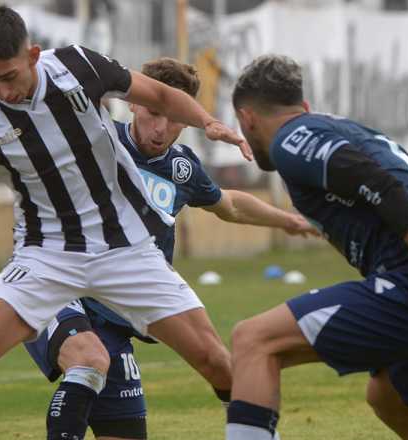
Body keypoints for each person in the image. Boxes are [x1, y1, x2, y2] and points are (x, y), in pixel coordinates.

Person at [0, 7, 253, 439]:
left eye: (9, 77)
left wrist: (208, 122)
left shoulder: (78, 66)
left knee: (214, 360)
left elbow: (162, 96)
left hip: (125, 245)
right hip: (47, 253)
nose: (2, 90)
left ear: (34, 55)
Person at [24, 57, 317, 440]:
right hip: (63, 287)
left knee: (216, 365)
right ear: (133, 103)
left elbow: (228, 205)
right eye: (152, 112)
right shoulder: (94, 140)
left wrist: (288, 220)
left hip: (116, 316)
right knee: (87, 360)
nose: (161, 129)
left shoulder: (182, 169)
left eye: (174, 118)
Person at [224, 55, 408, 440]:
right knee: (388, 398)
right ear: (304, 106)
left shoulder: (292, 140)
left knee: (253, 340)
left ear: (247, 118)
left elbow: (384, 188)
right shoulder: (341, 129)